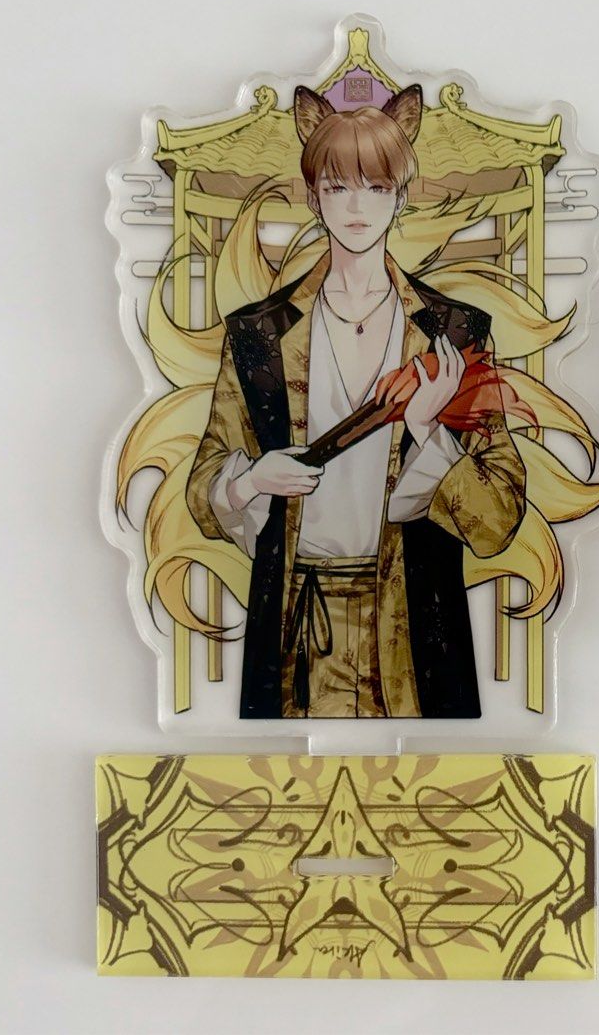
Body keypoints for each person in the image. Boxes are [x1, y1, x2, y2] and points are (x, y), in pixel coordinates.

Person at [186, 83, 526, 718]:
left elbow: (499, 517)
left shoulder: (456, 331)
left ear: (401, 194)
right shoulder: (259, 335)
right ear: (313, 196)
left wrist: (428, 430)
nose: (357, 206)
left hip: (417, 621)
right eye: (338, 186)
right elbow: (205, 485)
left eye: (376, 186)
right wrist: (252, 480)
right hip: (293, 615)